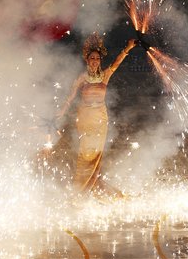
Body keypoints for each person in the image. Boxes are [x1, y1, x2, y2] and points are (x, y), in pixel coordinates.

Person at [55, 32, 137, 200]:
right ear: (87, 60)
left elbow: (117, 63)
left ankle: (94, 186)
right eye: (92, 58)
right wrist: (59, 115)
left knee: (97, 154)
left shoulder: (104, 76)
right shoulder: (82, 78)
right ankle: (79, 191)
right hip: (85, 119)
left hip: (101, 119)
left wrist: (128, 47)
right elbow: (69, 98)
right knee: (85, 154)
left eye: (97, 59)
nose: (95, 61)